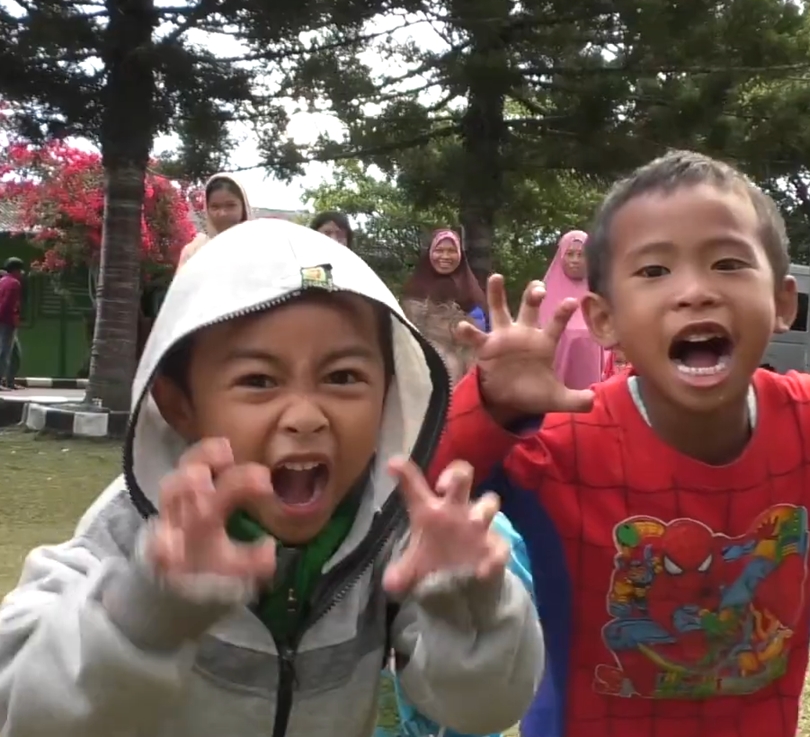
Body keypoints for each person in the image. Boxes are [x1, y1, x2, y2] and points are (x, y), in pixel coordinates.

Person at [433, 150, 810, 737]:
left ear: (782, 302)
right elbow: (435, 483)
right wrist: (494, 403)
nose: (694, 290)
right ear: (604, 320)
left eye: (728, 263)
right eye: (653, 270)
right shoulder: (560, 450)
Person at [0, 219, 544, 737]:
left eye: (344, 377)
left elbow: (483, 706)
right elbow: (19, 711)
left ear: (389, 394)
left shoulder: (391, 529)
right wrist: (144, 613)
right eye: (259, 380)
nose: (305, 416)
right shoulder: (133, 530)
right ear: (179, 404)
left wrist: (470, 613)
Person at [382, 296, 537, 737]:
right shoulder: (364, 525)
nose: (425, 423)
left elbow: (510, 665)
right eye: (408, 400)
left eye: (448, 404)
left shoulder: (490, 535)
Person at [538, 230, 602, 390]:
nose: (575, 260)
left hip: (593, 390)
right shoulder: (542, 297)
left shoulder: (600, 296)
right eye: (570, 254)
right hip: (551, 390)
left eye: (581, 255)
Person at [403, 229, 488, 332]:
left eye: (452, 251)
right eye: (439, 250)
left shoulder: (472, 293)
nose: (445, 256)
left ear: (460, 255)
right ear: (430, 253)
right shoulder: (415, 289)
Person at [178, 173, 253, 269]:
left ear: (243, 207)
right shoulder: (194, 252)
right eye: (215, 207)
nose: (222, 213)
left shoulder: (258, 249)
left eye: (230, 205)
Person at [0, 258, 23, 390]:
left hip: (5, 320)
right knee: (4, 352)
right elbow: (8, 304)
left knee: (15, 354)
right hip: (7, 321)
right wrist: (13, 319)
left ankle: (10, 381)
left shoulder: (2, 281)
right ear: (15, 270)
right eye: (20, 270)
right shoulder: (14, 283)